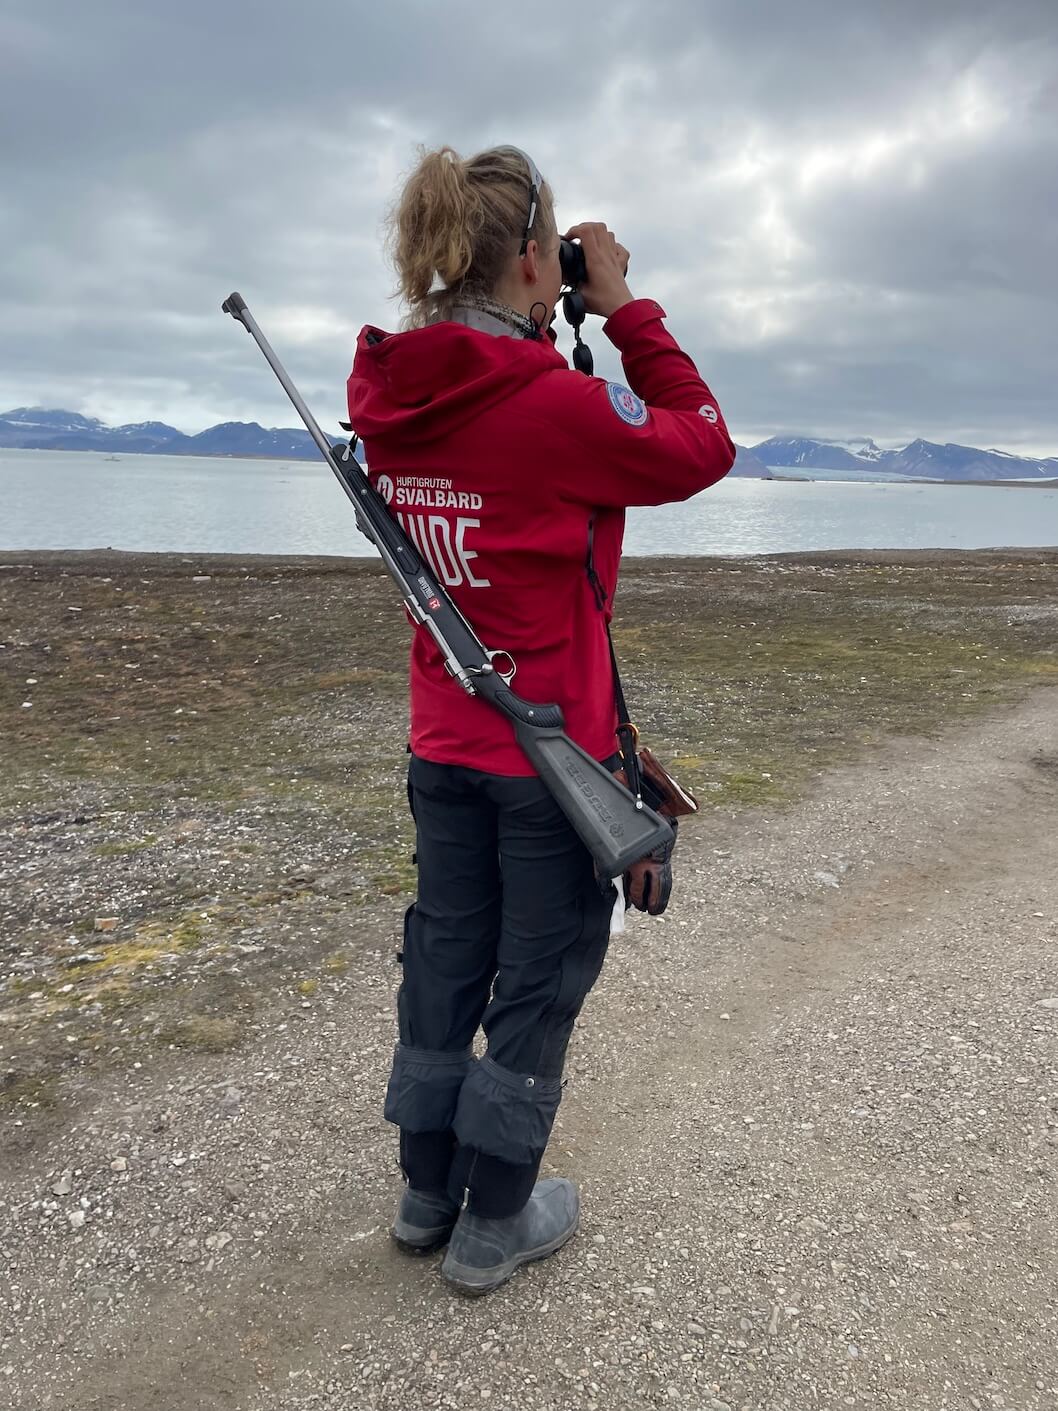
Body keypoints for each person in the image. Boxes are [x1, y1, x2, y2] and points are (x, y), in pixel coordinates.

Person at [345, 144, 735, 1295]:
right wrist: (624, 310)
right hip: (545, 755)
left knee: (443, 961)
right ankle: (492, 1222)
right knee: (539, 974)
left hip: (442, 742)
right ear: (533, 260)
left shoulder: (389, 393)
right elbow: (702, 443)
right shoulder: (550, 405)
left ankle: (425, 1195)